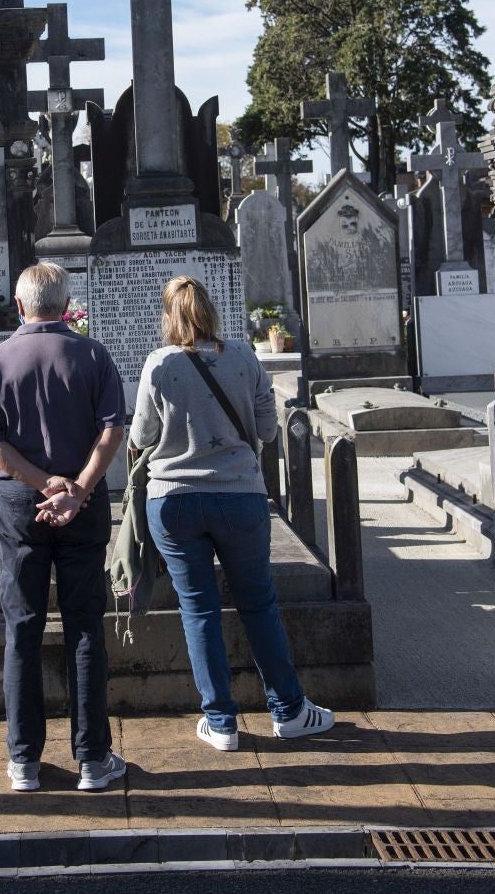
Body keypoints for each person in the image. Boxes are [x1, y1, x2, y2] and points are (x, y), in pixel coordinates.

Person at [129, 275, 335, 749]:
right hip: (239, 496)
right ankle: (288, 710)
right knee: (259, 604)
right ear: (210, 311)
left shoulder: (159, 364)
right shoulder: (243, 357)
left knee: (198, 608)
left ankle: (220, 722)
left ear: (170, 316)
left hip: (174, 500)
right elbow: (265, 429)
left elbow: (140, 437)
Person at [0, 261, 127, 793]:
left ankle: (23, 763)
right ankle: (93, 761)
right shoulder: (92, 354)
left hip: (20, 505)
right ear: (65, 304)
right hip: (82, 505)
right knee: (85, 626)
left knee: (23, 628)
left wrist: (41, 484)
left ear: (20, 305)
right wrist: (76, 488)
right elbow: (111, 433)